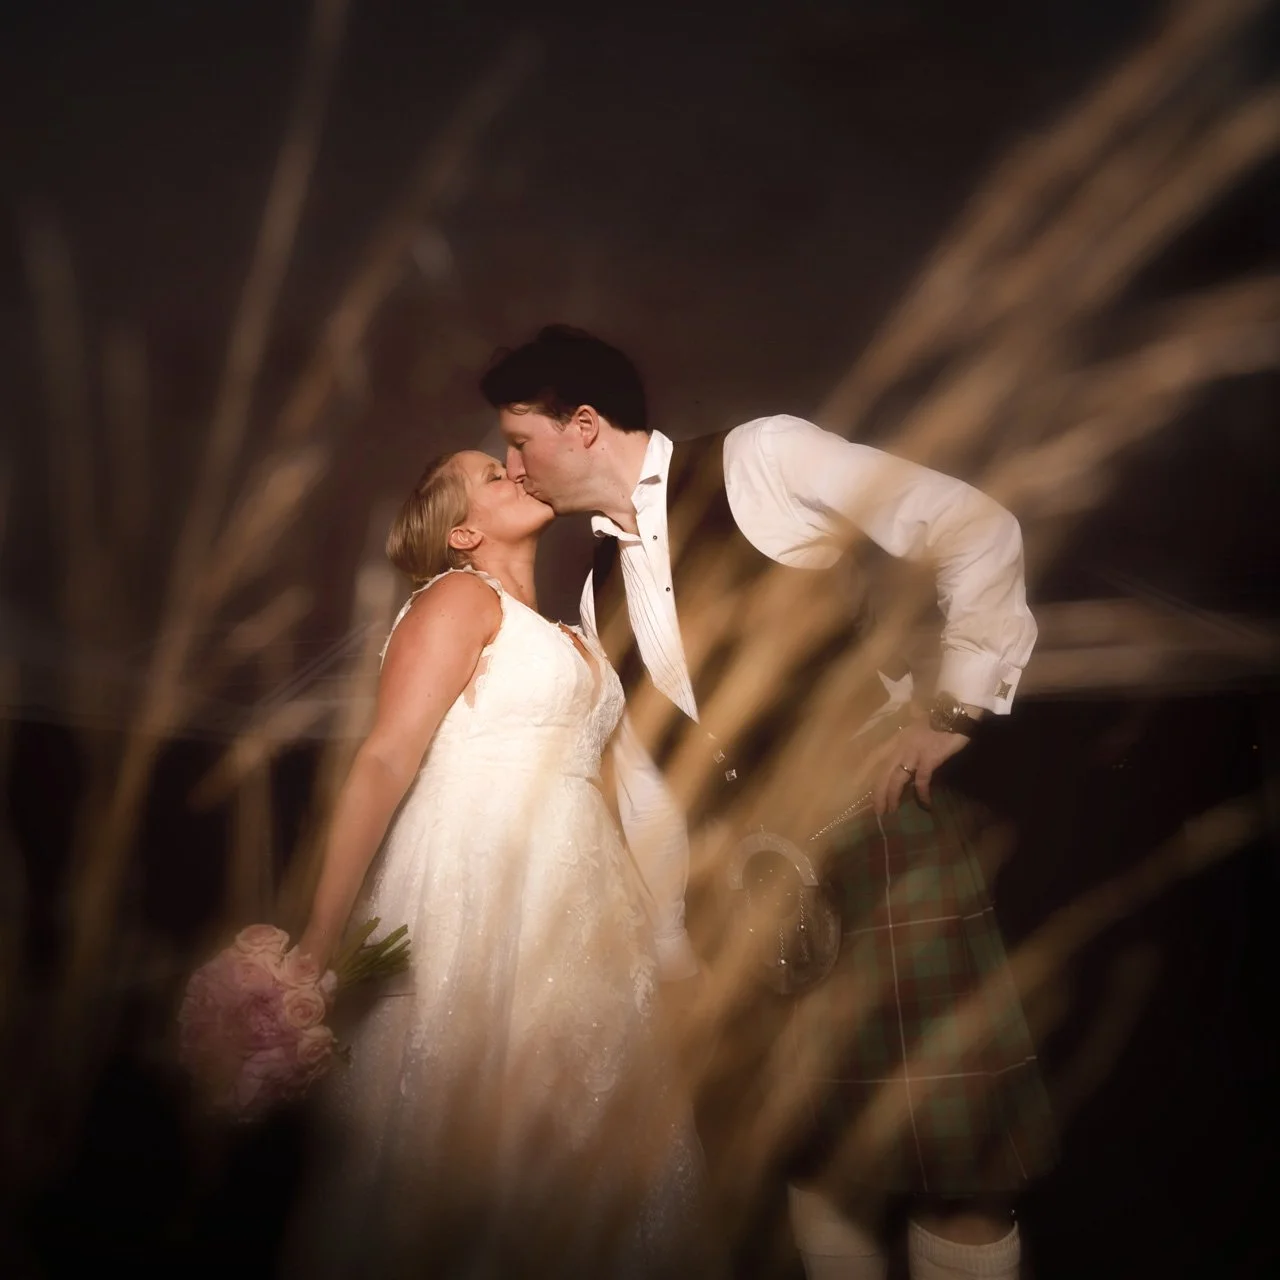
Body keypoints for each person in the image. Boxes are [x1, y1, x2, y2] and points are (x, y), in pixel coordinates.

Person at [482, 325, 1057, 1280]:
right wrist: (674, 947)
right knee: (817, 1164)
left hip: (880, 835)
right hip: (758, 893)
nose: (512, 467)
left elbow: (971, 523)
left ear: (582, 426)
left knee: (955, 1165)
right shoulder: (591, 593)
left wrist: (957, 707)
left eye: (518, 441)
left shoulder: (763, 458)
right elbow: (647, 784)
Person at [281, 449, 706, 1279]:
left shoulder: (572, 633)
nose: (514, 470)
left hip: (582, 895)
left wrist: (666, 931)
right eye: (489, 475)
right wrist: (319, 935)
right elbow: (384, 758)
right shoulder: (458, 598)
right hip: (481, 878)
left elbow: (627, 794)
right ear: (463, 532)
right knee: (473, 1142)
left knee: (585, 1133)